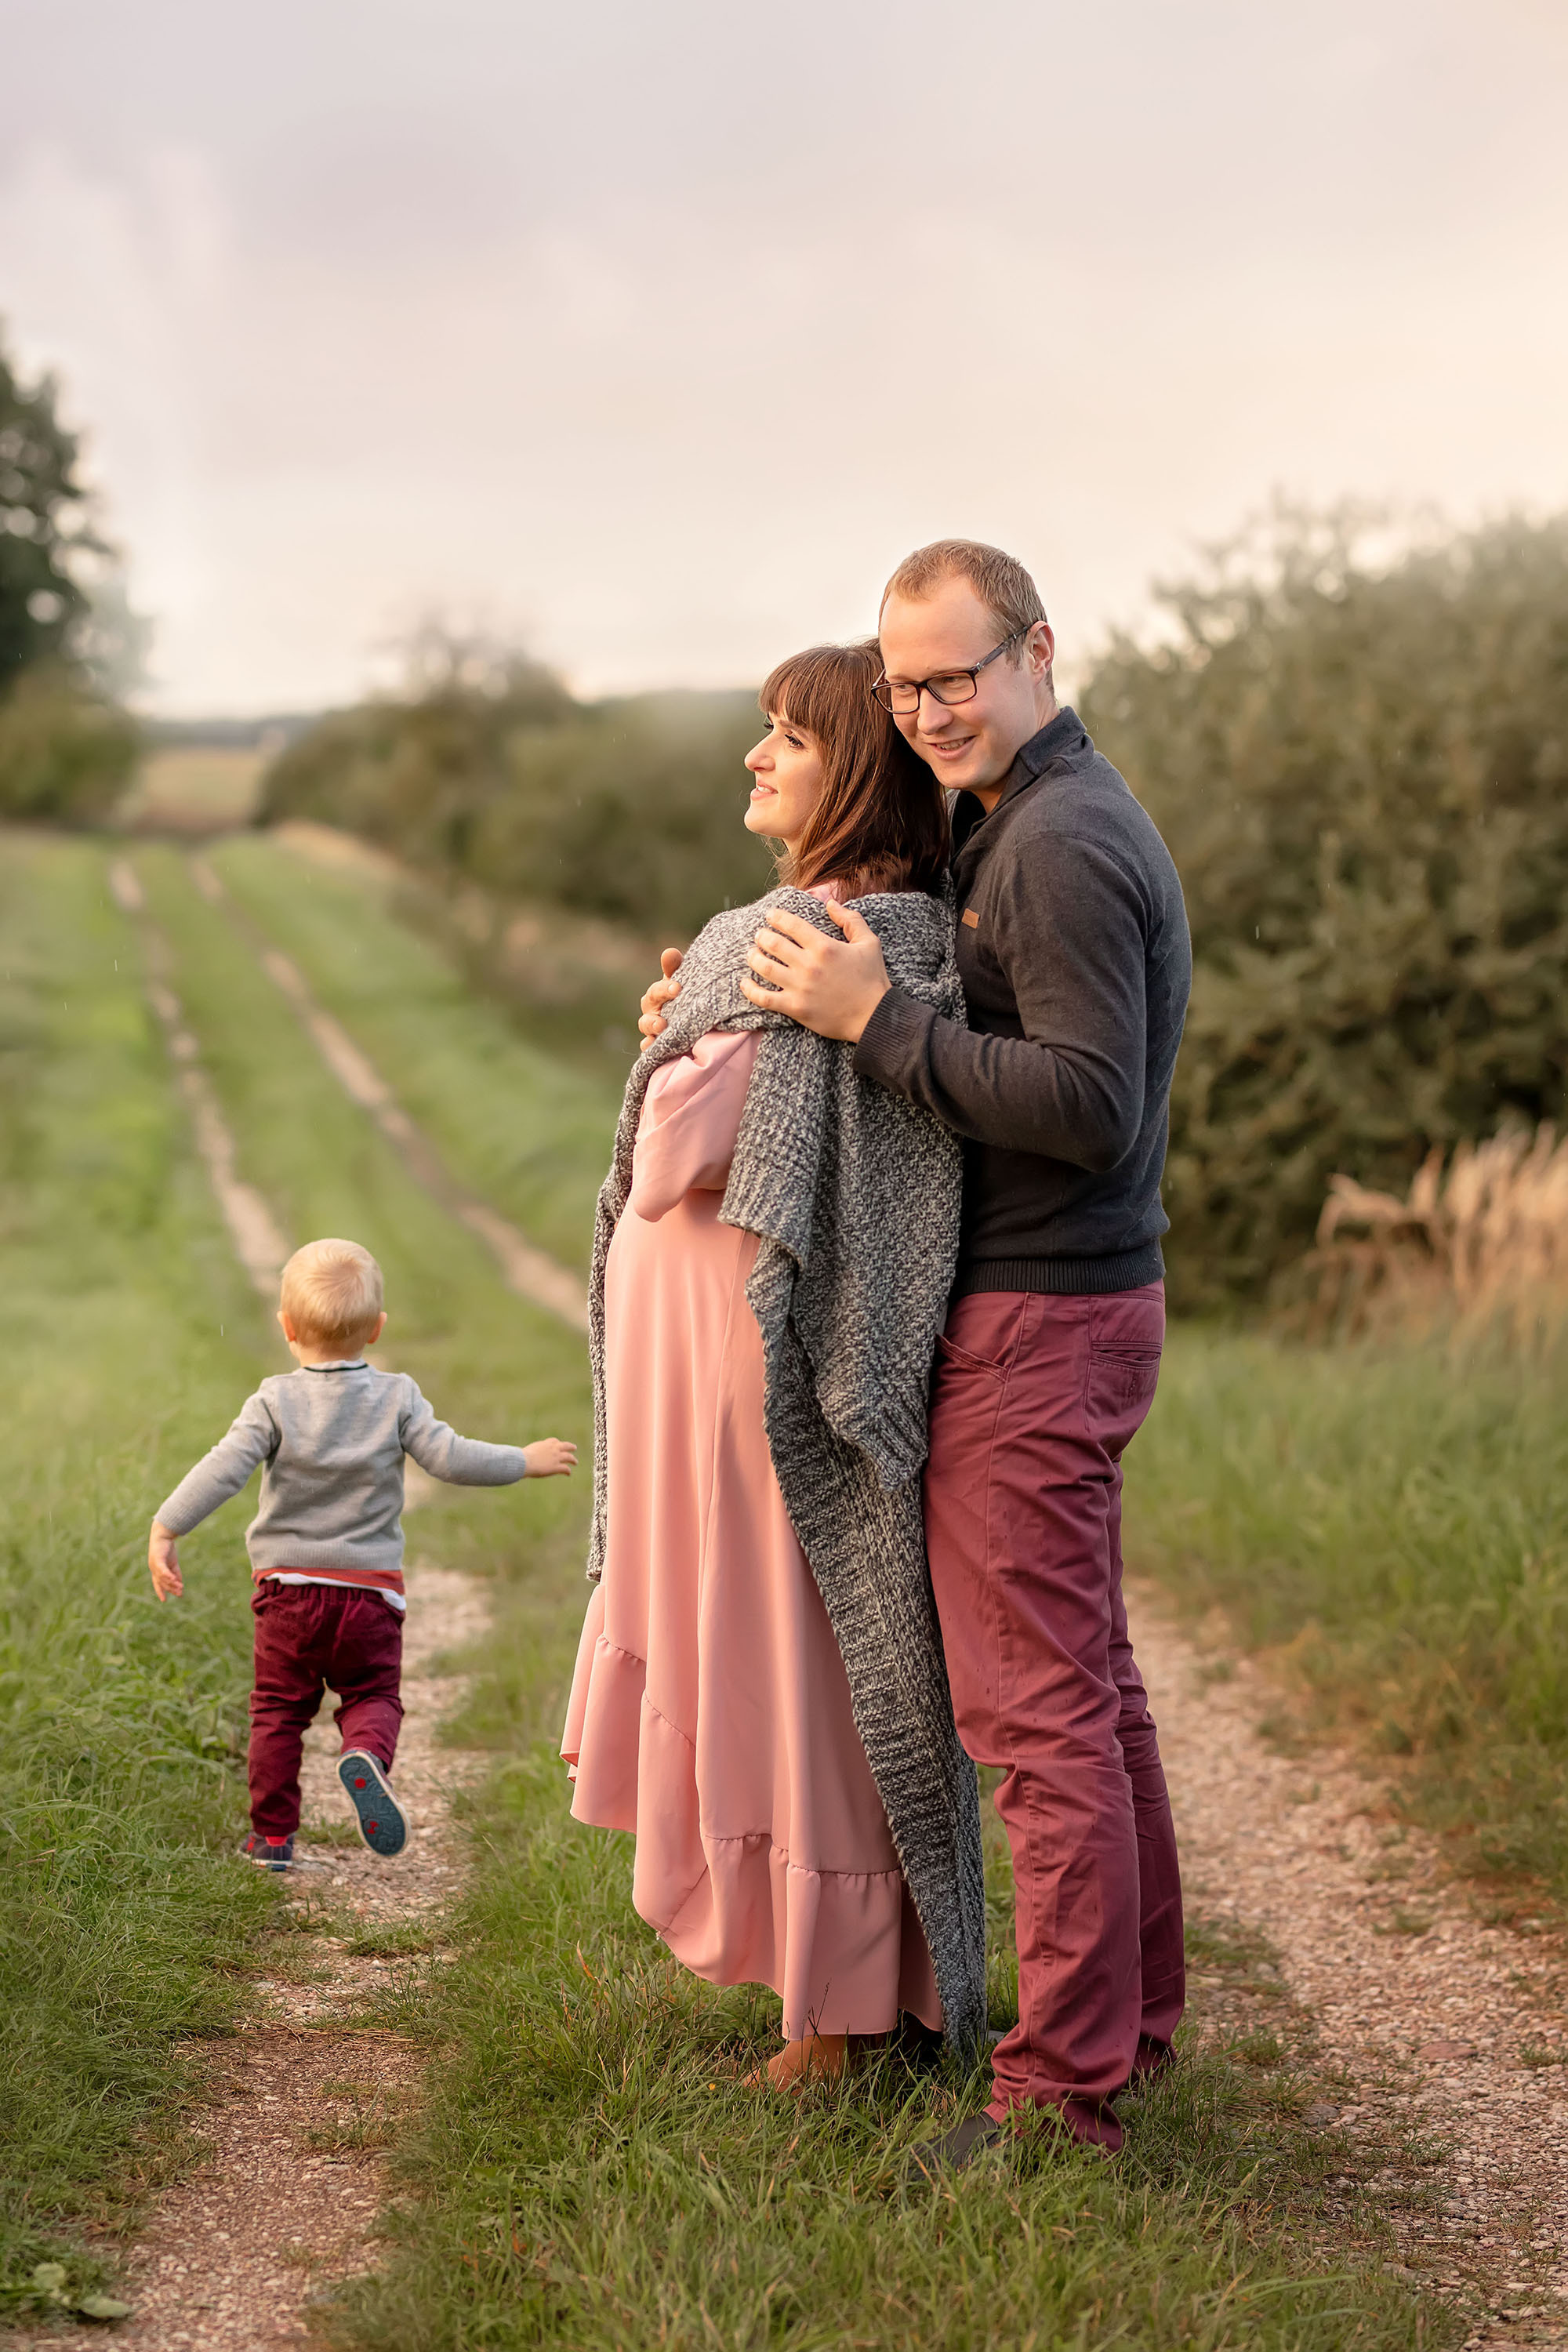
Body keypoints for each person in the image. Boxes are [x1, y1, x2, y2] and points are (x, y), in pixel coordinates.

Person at [641, 543, 1190, 2160]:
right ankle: (1129, 2036)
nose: (935, 708)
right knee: (1090, 1698)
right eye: (906, 688)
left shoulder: (1061, 846)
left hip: (1041, 1314)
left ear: (1035, 651)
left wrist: (870, 1027)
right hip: (1061, 1307)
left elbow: (1089, 1109)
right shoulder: (1001, 823)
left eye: (960, 674)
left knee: (1036, 1721)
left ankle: (1057, 2095)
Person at [563, 641, 988, 2092]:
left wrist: (684, 1037)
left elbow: (685, 1144)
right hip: (726, 1349)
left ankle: (842, 2010)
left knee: (786, 1661)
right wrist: (692, 1023)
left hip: (762, 1365)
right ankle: (841, 1987)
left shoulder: (811, 930)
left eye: (784, 738)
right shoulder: (858, 927)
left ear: (850, 766)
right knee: (773, 1654)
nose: (755, 759)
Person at [148, 1236, 575, 1870]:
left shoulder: (273, 1400)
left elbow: (225, 1469)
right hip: (369, 1595)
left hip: (286, 1595)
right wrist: (523, 1460)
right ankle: (367, 1756)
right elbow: (450, 1458)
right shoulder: (397, 1397)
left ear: (287, 1328)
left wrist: (167, 1526)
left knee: (276, 1715)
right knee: (374, 1694)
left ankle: (271, 1839)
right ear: (377, 1329)